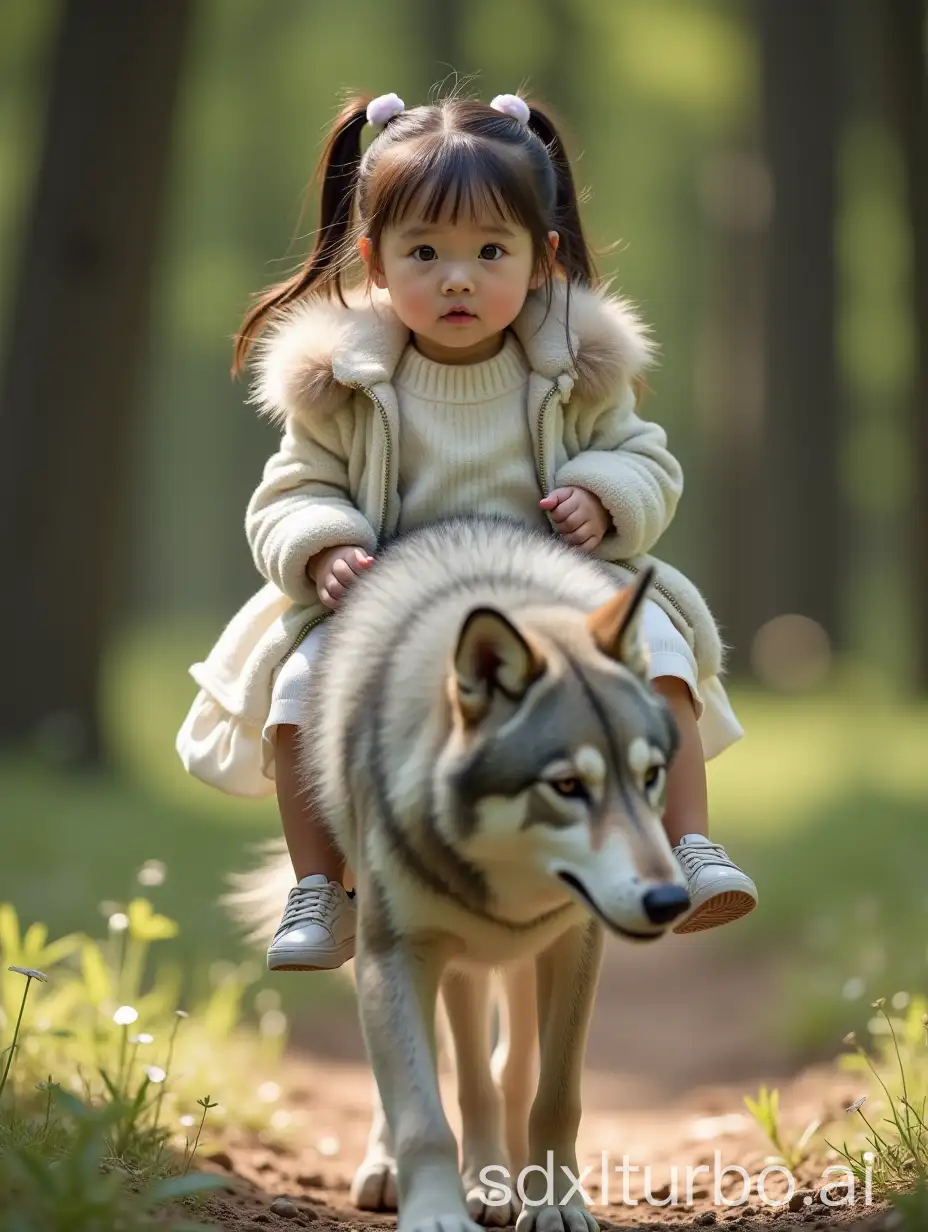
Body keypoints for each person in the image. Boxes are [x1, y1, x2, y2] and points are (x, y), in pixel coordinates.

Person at [176, 88, 757, 971]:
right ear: (373, 260)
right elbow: (289, 494)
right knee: (299, 687)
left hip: (558, 599)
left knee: (658, 651)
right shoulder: (344, 381)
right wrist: (326, 545)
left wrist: (603, 497)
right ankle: (321, 887)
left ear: (540, 257)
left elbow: (647, 462)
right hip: (395, 606)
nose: (458, 277)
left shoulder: (575, 370)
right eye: (425, 251)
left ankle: (687, 843)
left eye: (490, 250)